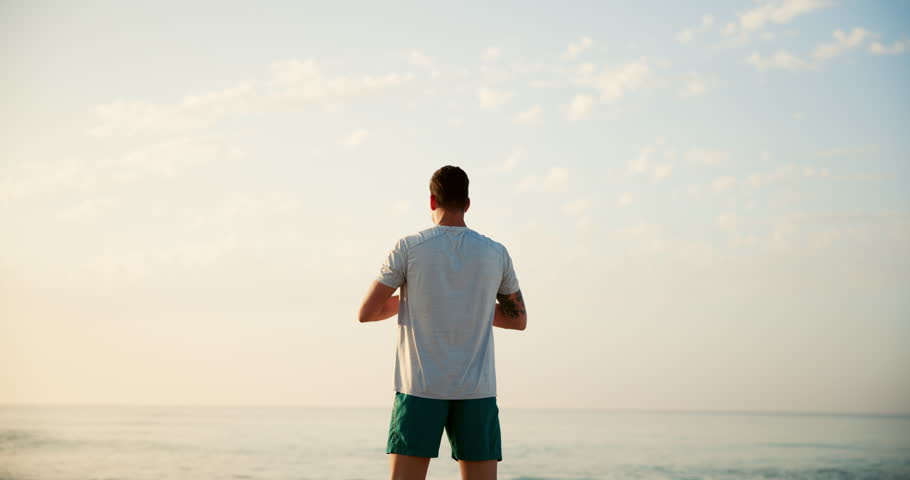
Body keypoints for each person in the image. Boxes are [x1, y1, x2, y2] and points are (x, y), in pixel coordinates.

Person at [358, 165, 527, 480]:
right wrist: (470, 305)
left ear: (432, 201)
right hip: (477, 391)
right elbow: (518, 319)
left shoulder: (409, 248)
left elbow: (367, 311)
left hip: (419, 389)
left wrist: (415, 302)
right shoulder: (495, 252)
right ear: (468, 203)